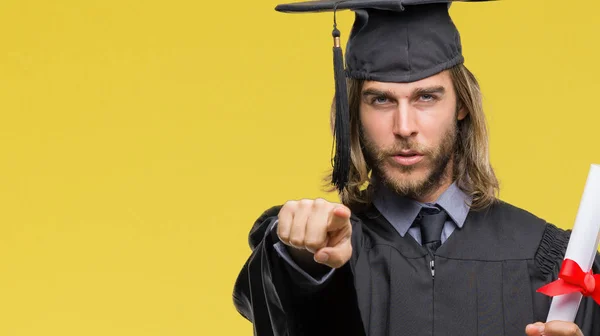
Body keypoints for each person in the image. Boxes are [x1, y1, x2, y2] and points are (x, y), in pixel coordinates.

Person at [232, 1, 600, 335]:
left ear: (461, 105)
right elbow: (275, 302)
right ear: (354, 113)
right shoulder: (323, 252)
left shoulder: (552, 262)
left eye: (426, 97)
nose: (404, 126)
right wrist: (300, 259)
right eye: (380, 100)